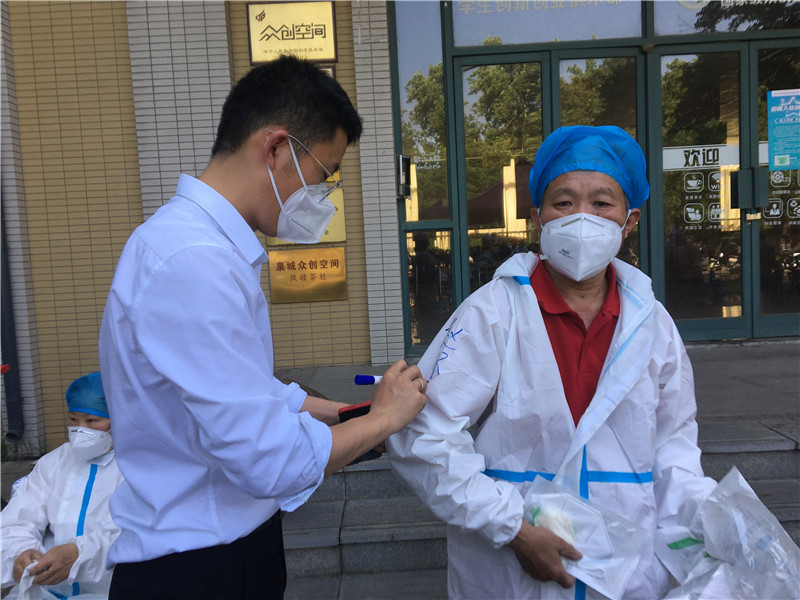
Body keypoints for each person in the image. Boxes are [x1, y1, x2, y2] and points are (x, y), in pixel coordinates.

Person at [98, 55, 427, 600]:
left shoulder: (195, 247)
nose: (323, 196)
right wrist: (383, 421)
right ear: (275, 149)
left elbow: (240, 390)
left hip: (218, 552)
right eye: (323, 175)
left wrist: (342, 413)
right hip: (200, 567)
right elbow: (271, 460)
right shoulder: (193, 262)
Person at [387, 125, 717, 599]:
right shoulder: (493, 312)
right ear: (537, 217)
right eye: (563, 202)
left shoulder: (653, 323)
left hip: (626, 571)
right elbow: (424, 436)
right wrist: (513, 529)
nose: (582, 218)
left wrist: (708, 523)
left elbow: (675, 447)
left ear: (629, 221)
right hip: (510, 570)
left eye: (601, 203)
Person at [1, 372, 123, 599]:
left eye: (92, 421)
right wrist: (18, 553)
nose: (80, 429)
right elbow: (18, 517)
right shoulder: (54, 462)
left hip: (112, 592)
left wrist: (81, 555)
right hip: (47, 591)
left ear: (119, 420)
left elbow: (136, 535)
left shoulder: (135, 469)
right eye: (73, 419)